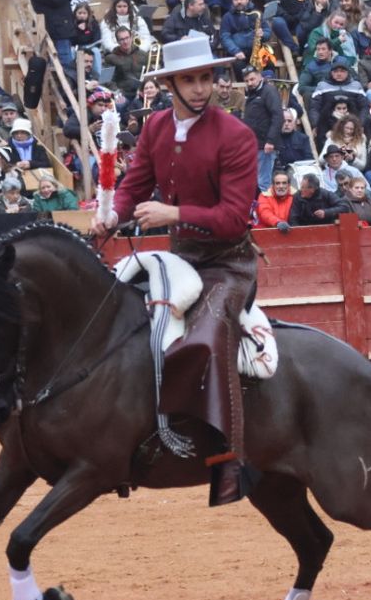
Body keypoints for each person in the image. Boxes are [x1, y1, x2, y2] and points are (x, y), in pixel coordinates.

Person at [94, 34, 258, 507]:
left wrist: (174, 214)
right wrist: (110, 214)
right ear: (169, 83)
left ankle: (230, 456)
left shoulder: (237, 136)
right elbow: (132, 186)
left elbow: (233, 218)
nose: (202, 88)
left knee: (207, 338)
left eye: (206, 77)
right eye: (190, 79)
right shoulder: (156, 129)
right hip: (180, 258)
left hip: (228, 262)